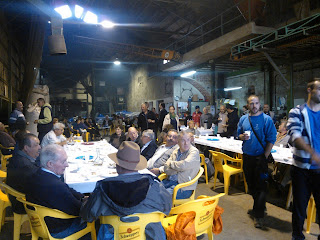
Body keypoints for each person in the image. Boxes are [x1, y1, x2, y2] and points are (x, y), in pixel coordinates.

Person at [80, 141, 172, 240]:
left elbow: (87, 216)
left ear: (117, 165)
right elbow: (167, 209)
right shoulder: (156, 187)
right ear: (137, 165)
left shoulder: (102, 189)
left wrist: (85, 201)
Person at [25, 144, 87, 238]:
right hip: (57, 230)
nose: (67, 165)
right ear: (50, 164)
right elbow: (78, 211)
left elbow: (67, 189)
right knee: (97, 219)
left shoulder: (36, 174)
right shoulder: (56, 186)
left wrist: (82, 197)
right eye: (63, 161)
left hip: (40, 224)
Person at [287, 79, 320, 240]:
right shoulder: (297, 112)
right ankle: (297, 236)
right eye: (319, 88)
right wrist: (313, 153)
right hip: (302, 170)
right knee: (300, 208)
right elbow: (295, 136)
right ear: (309, 90)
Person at [237, 95, 277, 228]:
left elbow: (272, 139)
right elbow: (238, 134)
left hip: (261, 157)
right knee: (251, 185)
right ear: (247, 105)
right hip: (247, 157)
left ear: (260, 104)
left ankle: (258, 215)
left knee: (261, 186)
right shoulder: (243, 119)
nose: (254, 106)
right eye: (251, 103)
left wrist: (265, 156)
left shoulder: (266, 120)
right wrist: (241, 136)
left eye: (256, 103)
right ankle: (260, 206)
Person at [160, 131, 200, 199]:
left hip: (183, 187)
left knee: (161, 197)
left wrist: (171, 164)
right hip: (170, 181)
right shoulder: (176, 151)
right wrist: (178, 169)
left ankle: (165, 209)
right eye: (183, 140)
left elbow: (183, 165)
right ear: (178, 142)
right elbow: (166, 168)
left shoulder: (194, 152)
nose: (186, 143)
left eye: (188, 140)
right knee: (152, 190)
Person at [7, 133, 40, 214]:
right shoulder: (25, 166)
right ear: (26, 148)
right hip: (23, 204)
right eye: (36, 145)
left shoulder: (18, 156)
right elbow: (41, 184)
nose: (40, 147)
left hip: (19, 197)